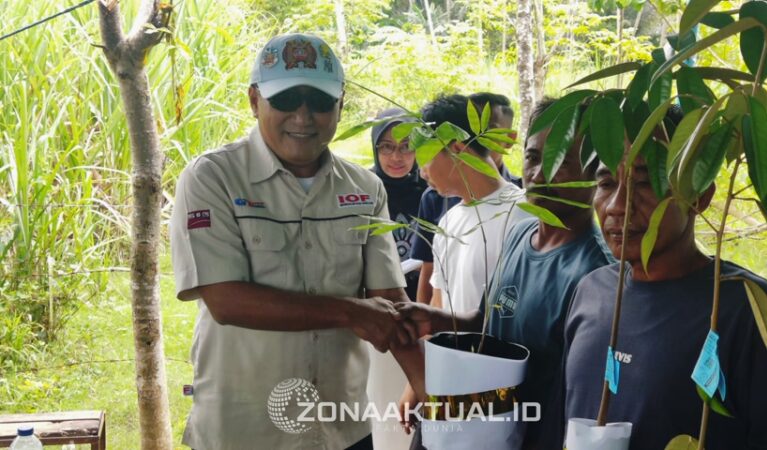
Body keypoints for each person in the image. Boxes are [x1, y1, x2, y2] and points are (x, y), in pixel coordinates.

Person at [169, 33, 412, 450]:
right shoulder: (213, 178)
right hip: (246, 430)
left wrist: (427, 374)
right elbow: (227, 301)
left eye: (318, 102)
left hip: (342, 427)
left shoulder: (365, 189)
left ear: (340, 105)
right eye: (286, 99)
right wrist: (350, 311)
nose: (303, 116)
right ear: (254, 100)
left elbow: (389, 302)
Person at [553, 110, 767, 449]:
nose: (617, 206)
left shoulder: (745, 309)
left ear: (699, 196)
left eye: (645, 183)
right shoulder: (591, 292)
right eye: (606, 183)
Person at [395, 99, 614, 447]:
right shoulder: (519, 236)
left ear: (595, 171)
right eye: (534, 157)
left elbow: (583, 396)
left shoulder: (596, 274)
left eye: (562, 160)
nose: (540, 174)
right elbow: (486, 322)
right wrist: (433, 319)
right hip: (481, 421)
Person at [418, 93, 526, 314]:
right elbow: (439, 304)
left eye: (426, 157)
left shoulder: (521, 215)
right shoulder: (448, 222)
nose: (422, 172)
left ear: (457, 149)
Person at [370, 108, 428, 300]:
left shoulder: (432, 190)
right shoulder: (362, 189)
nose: (396, 157)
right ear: (375, 147)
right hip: (376, 298)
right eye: (387, 146)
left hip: (426, 296)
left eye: (406, 146)